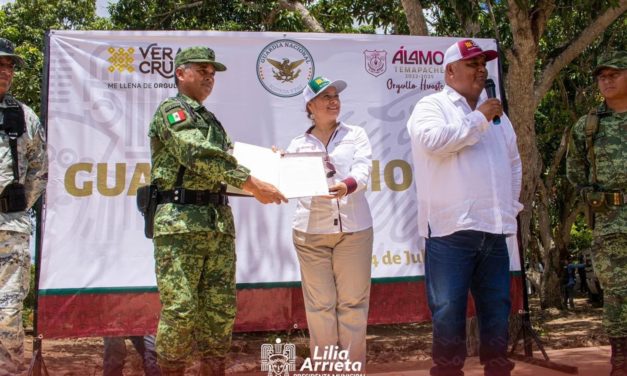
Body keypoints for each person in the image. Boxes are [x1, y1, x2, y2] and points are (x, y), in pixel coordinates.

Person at [148, 46, 287, 376]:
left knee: (219, 313)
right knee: (181, 311)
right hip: (180, 224)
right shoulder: (172, 111)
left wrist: (269, 164)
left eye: (213, 72)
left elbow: (227, 160)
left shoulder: (210, 120)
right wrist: (252, 180)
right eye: (202, 70)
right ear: (181, 74)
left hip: (217, 225)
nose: (210, 77)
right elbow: (199, 153)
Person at [406, 39, 522, 376]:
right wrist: (478, 119)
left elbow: (513, 163)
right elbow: (434, 142)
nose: (481, 69)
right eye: (472, 64)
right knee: (448, 309)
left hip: (494, 229)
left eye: (483, 64)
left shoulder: (499, 117)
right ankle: (447, 370)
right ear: (450, 71)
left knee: (498, 306)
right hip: (449, 230)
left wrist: (509, 207)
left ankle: (497, 366)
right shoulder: (431, 106)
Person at [285, 76, 373, 370]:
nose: (334, 101)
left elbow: (363, 170)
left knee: (353, 305)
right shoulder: (297, 144)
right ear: (310, 105)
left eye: (336, 96)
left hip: (354, 230)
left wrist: (346, 185)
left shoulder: (356, 134)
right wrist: (277, 167)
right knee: (320, 307)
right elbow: (288, 184)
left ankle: (351, 368)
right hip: (311, 233)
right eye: (325, 97)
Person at [566, 51, 626, 376]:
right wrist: (590, 193)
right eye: (602, 75)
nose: (606, 79)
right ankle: (620, 359)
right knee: (617, 292)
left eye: (614, 73)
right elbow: (574, 169)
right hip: (611, 221)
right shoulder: (587, 126)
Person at [0, 37, 47, 376]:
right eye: (0, 64)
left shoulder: (23, 116)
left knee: (8, 308)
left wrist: (15, 205)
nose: (6, 71)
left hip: (10, 228)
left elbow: (39, 168)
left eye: (9, 65)